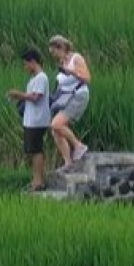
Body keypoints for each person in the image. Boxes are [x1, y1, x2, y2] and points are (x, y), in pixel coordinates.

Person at [7, 48, 52, 192]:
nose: (25, 67)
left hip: (37, 121)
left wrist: (18, 94)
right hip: (31, 120)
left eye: (26, 64)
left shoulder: (41, 78)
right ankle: (37, 180)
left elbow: (36, 97)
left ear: (33, 62)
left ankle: (38, 182)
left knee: (36, 150)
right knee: (33, 150)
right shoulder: (34, 79)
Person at [48, 35, 91, 173]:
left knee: (56, 124)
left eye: (54, 52)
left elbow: (87, 78)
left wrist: (71, 72)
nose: (54, 56)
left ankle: (78, 146)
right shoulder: (62, 62)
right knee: (55, 130)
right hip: (66, 98)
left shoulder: (76, 58)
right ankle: (68, 162)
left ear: (61, 48)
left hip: (79, 96)